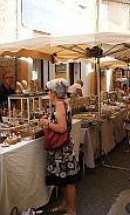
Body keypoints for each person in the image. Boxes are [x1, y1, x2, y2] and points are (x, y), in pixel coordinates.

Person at [39, 79, 80, 215]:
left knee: (68, 180)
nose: (48, 93)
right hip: (62, 146)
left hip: (62, 148)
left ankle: (72, 210)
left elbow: (62, 128)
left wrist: (46, 123)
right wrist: (49, 119)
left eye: (49, 91)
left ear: (55, 92)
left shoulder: (60, 105)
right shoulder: (61, 103)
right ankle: (65, 205)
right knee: (63, 178)